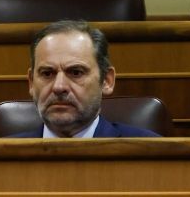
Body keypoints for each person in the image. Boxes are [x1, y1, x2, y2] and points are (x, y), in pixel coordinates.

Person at [9, 19, 161, 138]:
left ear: (106, 81)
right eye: (47, 74)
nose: (59, 87)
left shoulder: (150, 151)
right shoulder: (3, 156)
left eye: (76, 72)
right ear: (31, 82)